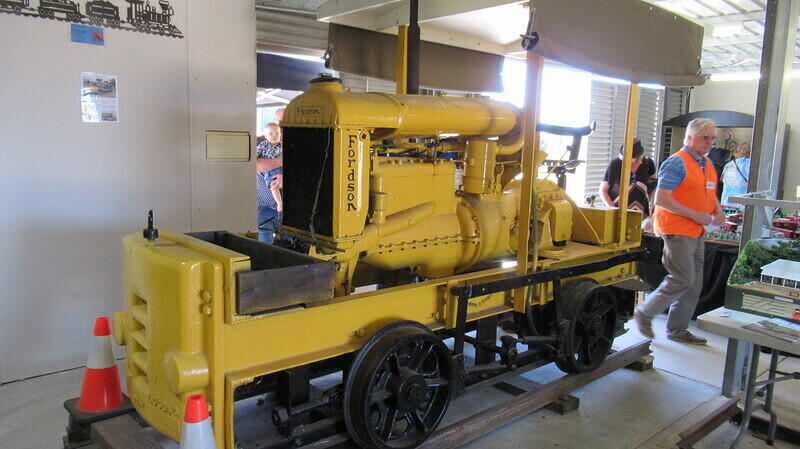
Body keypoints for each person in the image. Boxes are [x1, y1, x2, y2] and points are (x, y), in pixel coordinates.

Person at [634, 118, 725, 345]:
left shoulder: (706, 163)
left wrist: (717, 209)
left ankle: (677, 330)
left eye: (712, 138)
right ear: (690, 137)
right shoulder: (676, 163)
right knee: (683, 278)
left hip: (697, 230)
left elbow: (708, 192)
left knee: (694, 283)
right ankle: (645, 312)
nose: (710, 142)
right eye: (705, 137)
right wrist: (695, 215)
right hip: (676, 230)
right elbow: (662, 199)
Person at [599, 138, 656, 218]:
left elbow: (653, 185)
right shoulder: (615, 164)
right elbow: (603, 191)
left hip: (641, 214)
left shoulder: (648, 163)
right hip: (618, 214)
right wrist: (614, 210)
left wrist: (646, 200)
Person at [256, 123, 283, 243]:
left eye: (277, 133)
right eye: (271, 133)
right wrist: (280, 161)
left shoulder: (283, 145)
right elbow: (254, 163)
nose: (274, 135)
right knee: (264, 243)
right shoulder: (261, 145)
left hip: (288, 211)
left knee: (290, 244)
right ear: (265, 135)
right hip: (265, 208)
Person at [720, 143, 751, 207]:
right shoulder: (750, 164)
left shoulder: (728, 165)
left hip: (726, 202)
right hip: (741, 203)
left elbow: (722, 179)